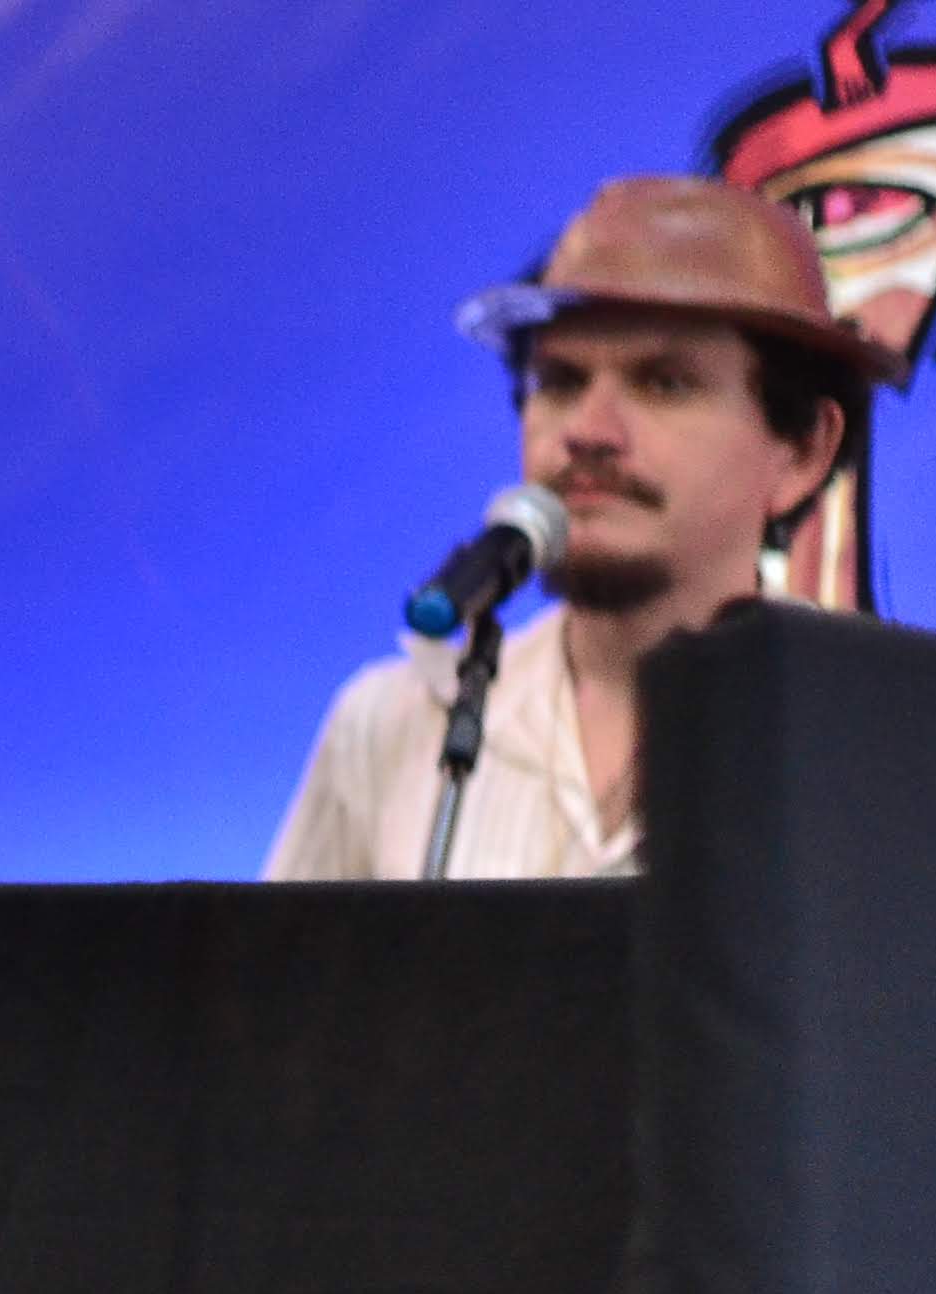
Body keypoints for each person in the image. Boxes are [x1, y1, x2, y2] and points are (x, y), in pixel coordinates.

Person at [267, 175, 871, 882]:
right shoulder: (389, 724)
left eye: (665, 383)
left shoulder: (878, 739)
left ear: (802, 451)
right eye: (560, 382)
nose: (588, 430)